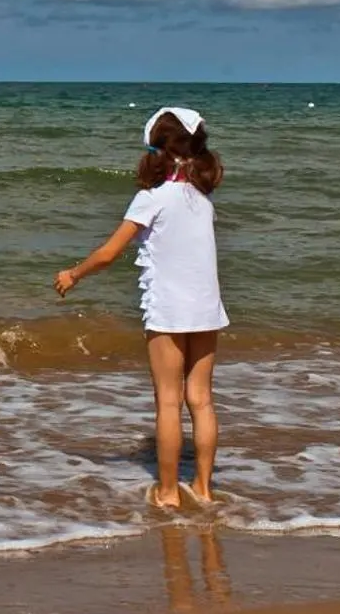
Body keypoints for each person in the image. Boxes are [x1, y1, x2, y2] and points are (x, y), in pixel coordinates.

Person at [54, 105, 227, 511]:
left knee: (168, 400)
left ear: (159, 150)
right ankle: (203, 488)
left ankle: (168, 492)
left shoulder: (152, 198)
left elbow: (109, 253)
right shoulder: (201, 200)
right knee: (201, 399)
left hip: (169, 310)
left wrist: (73, 275)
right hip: (207, 308)